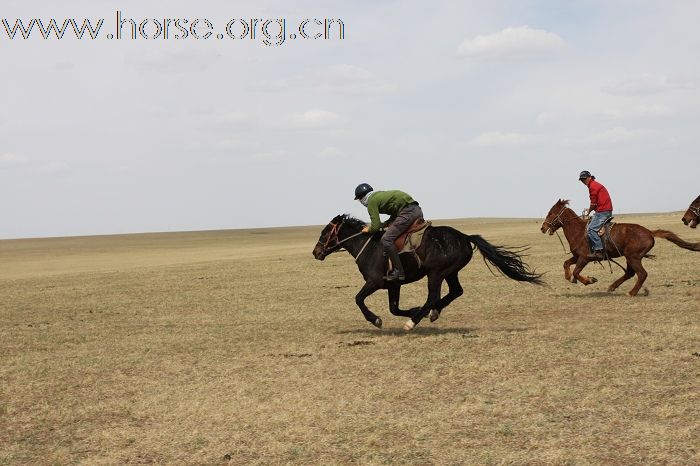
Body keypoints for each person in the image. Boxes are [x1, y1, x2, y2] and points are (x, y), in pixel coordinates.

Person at [354, 183, 423, 281]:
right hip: (416, 210)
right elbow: (393, 215)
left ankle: (399, 271)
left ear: (361, 197)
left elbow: (375, 226)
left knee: (386, 239)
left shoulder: (371, 202)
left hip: (407, 212)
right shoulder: (378, 196)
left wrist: (368, 229)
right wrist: (386, 224)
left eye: (359, 199)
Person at [579, 170, 613, 261]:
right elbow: (597, 202)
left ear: (590, 177)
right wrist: (590, 209)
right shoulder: (594, 185)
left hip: (603, 211)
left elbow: (593, 203)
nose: (583, 181)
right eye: (582, 180)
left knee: (591, 230)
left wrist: (588, 212)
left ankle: (599, 251)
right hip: (604, 210)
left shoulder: (592, 187)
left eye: (584, 179)